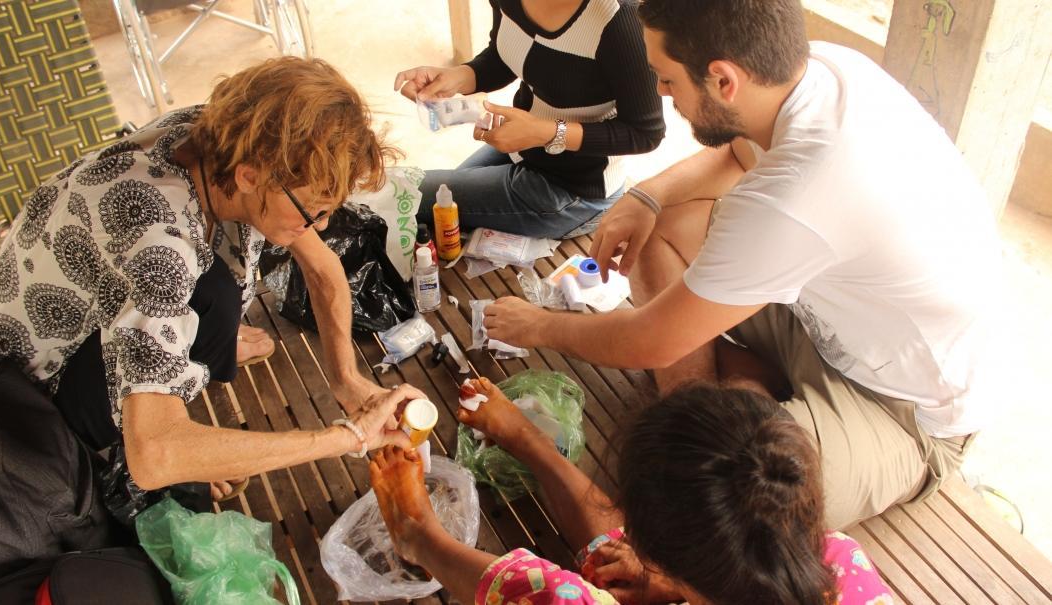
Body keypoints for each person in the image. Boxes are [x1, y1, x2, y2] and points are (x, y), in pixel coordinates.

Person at [480, 0, 1001, 529]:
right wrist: (646, 196)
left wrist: (540, 325)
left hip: (901, 410)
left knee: (728, 511)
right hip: (825, 314)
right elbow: (736, 155)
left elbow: (648, 342)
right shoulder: (813, 70)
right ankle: (728, 399)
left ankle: (732, 405)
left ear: (724, 80)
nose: (660, 93)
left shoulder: (798, 192)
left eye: (665, 79)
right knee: (656, 226)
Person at [0, 57, 425, 501]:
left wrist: (346, 379)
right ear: (251, 176)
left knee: (216, 298)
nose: (323, 225)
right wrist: (348, 436)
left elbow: (322, 267)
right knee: (164, 431)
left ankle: (168, 396)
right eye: (315, 210)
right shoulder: (158, 243)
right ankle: (112, 450)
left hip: (92, 312)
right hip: (36, 401)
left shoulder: (230, 138)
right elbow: (153, 457)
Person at [370, 379, 894, 604]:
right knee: (612, 571)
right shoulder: (838, 557)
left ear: (656, 548)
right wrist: (672, 587)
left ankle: (417, 537)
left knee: (562, 591)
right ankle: (527, 441)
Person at [395, 0, 665, 239]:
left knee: (404, 194)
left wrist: (545, 133)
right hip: (523, 149)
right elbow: (504, 55)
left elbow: (645, 133)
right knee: (429, 200)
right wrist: (457, 77)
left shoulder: (620, 21)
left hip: (575, 189)